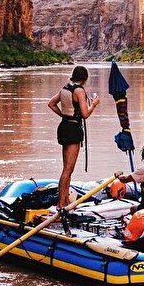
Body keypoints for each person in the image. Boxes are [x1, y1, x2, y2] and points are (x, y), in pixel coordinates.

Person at [47, 65, 100, 208]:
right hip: (73, 129)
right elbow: (85, 114)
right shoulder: (79, 91)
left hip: (64, 126)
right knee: (68, 169)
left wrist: (64, 115)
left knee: (66, 168)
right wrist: (94, 104)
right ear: (84, 78)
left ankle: (64, 201)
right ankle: (61, 203)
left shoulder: (65, 88)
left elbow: (51, 104)